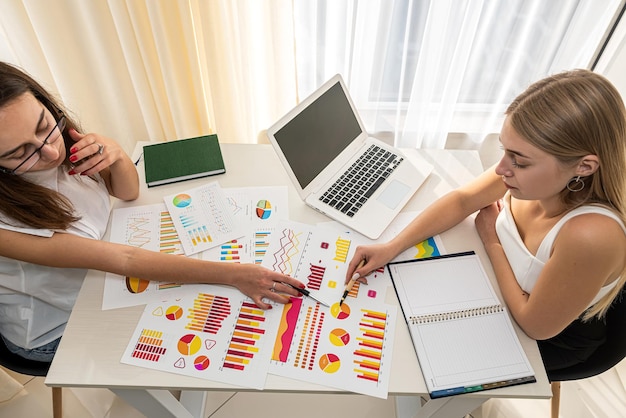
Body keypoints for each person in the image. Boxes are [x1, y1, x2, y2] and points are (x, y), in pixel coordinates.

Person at [0, 61, 304, 363]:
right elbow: (125, 260)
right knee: (204, 322)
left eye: (44, 126)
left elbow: (127, 192)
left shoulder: (63, 137)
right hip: (56, 325)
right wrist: (236, 274)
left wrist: (116, 155)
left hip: (101, 271)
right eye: (20, 152)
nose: (51, 152)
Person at [346, 69, 626, 378]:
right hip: (499, 292)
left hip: (547, 338)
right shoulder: (527, 175)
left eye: (520, 160)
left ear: (583, 167)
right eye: (505, 150)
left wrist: (492, 241)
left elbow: (536, 326)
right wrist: (391, 246)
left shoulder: (590, 235)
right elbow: (462, 201)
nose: (502, 168)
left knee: (413, 357)